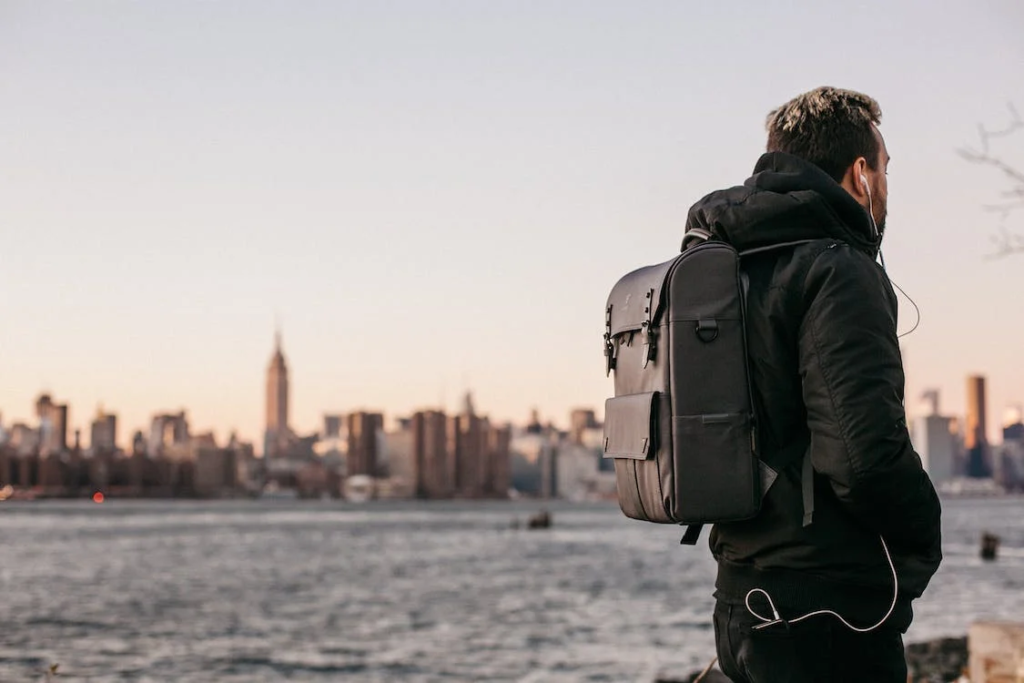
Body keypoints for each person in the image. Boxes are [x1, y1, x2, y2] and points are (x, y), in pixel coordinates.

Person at [683, 86, 943, 682]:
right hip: (826, 611)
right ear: (861, 174)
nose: (885, 188)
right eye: (885, 170)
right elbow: (861, 456)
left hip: (739, 597)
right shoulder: (838, 268)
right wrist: (923, 538)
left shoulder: (727, 264)